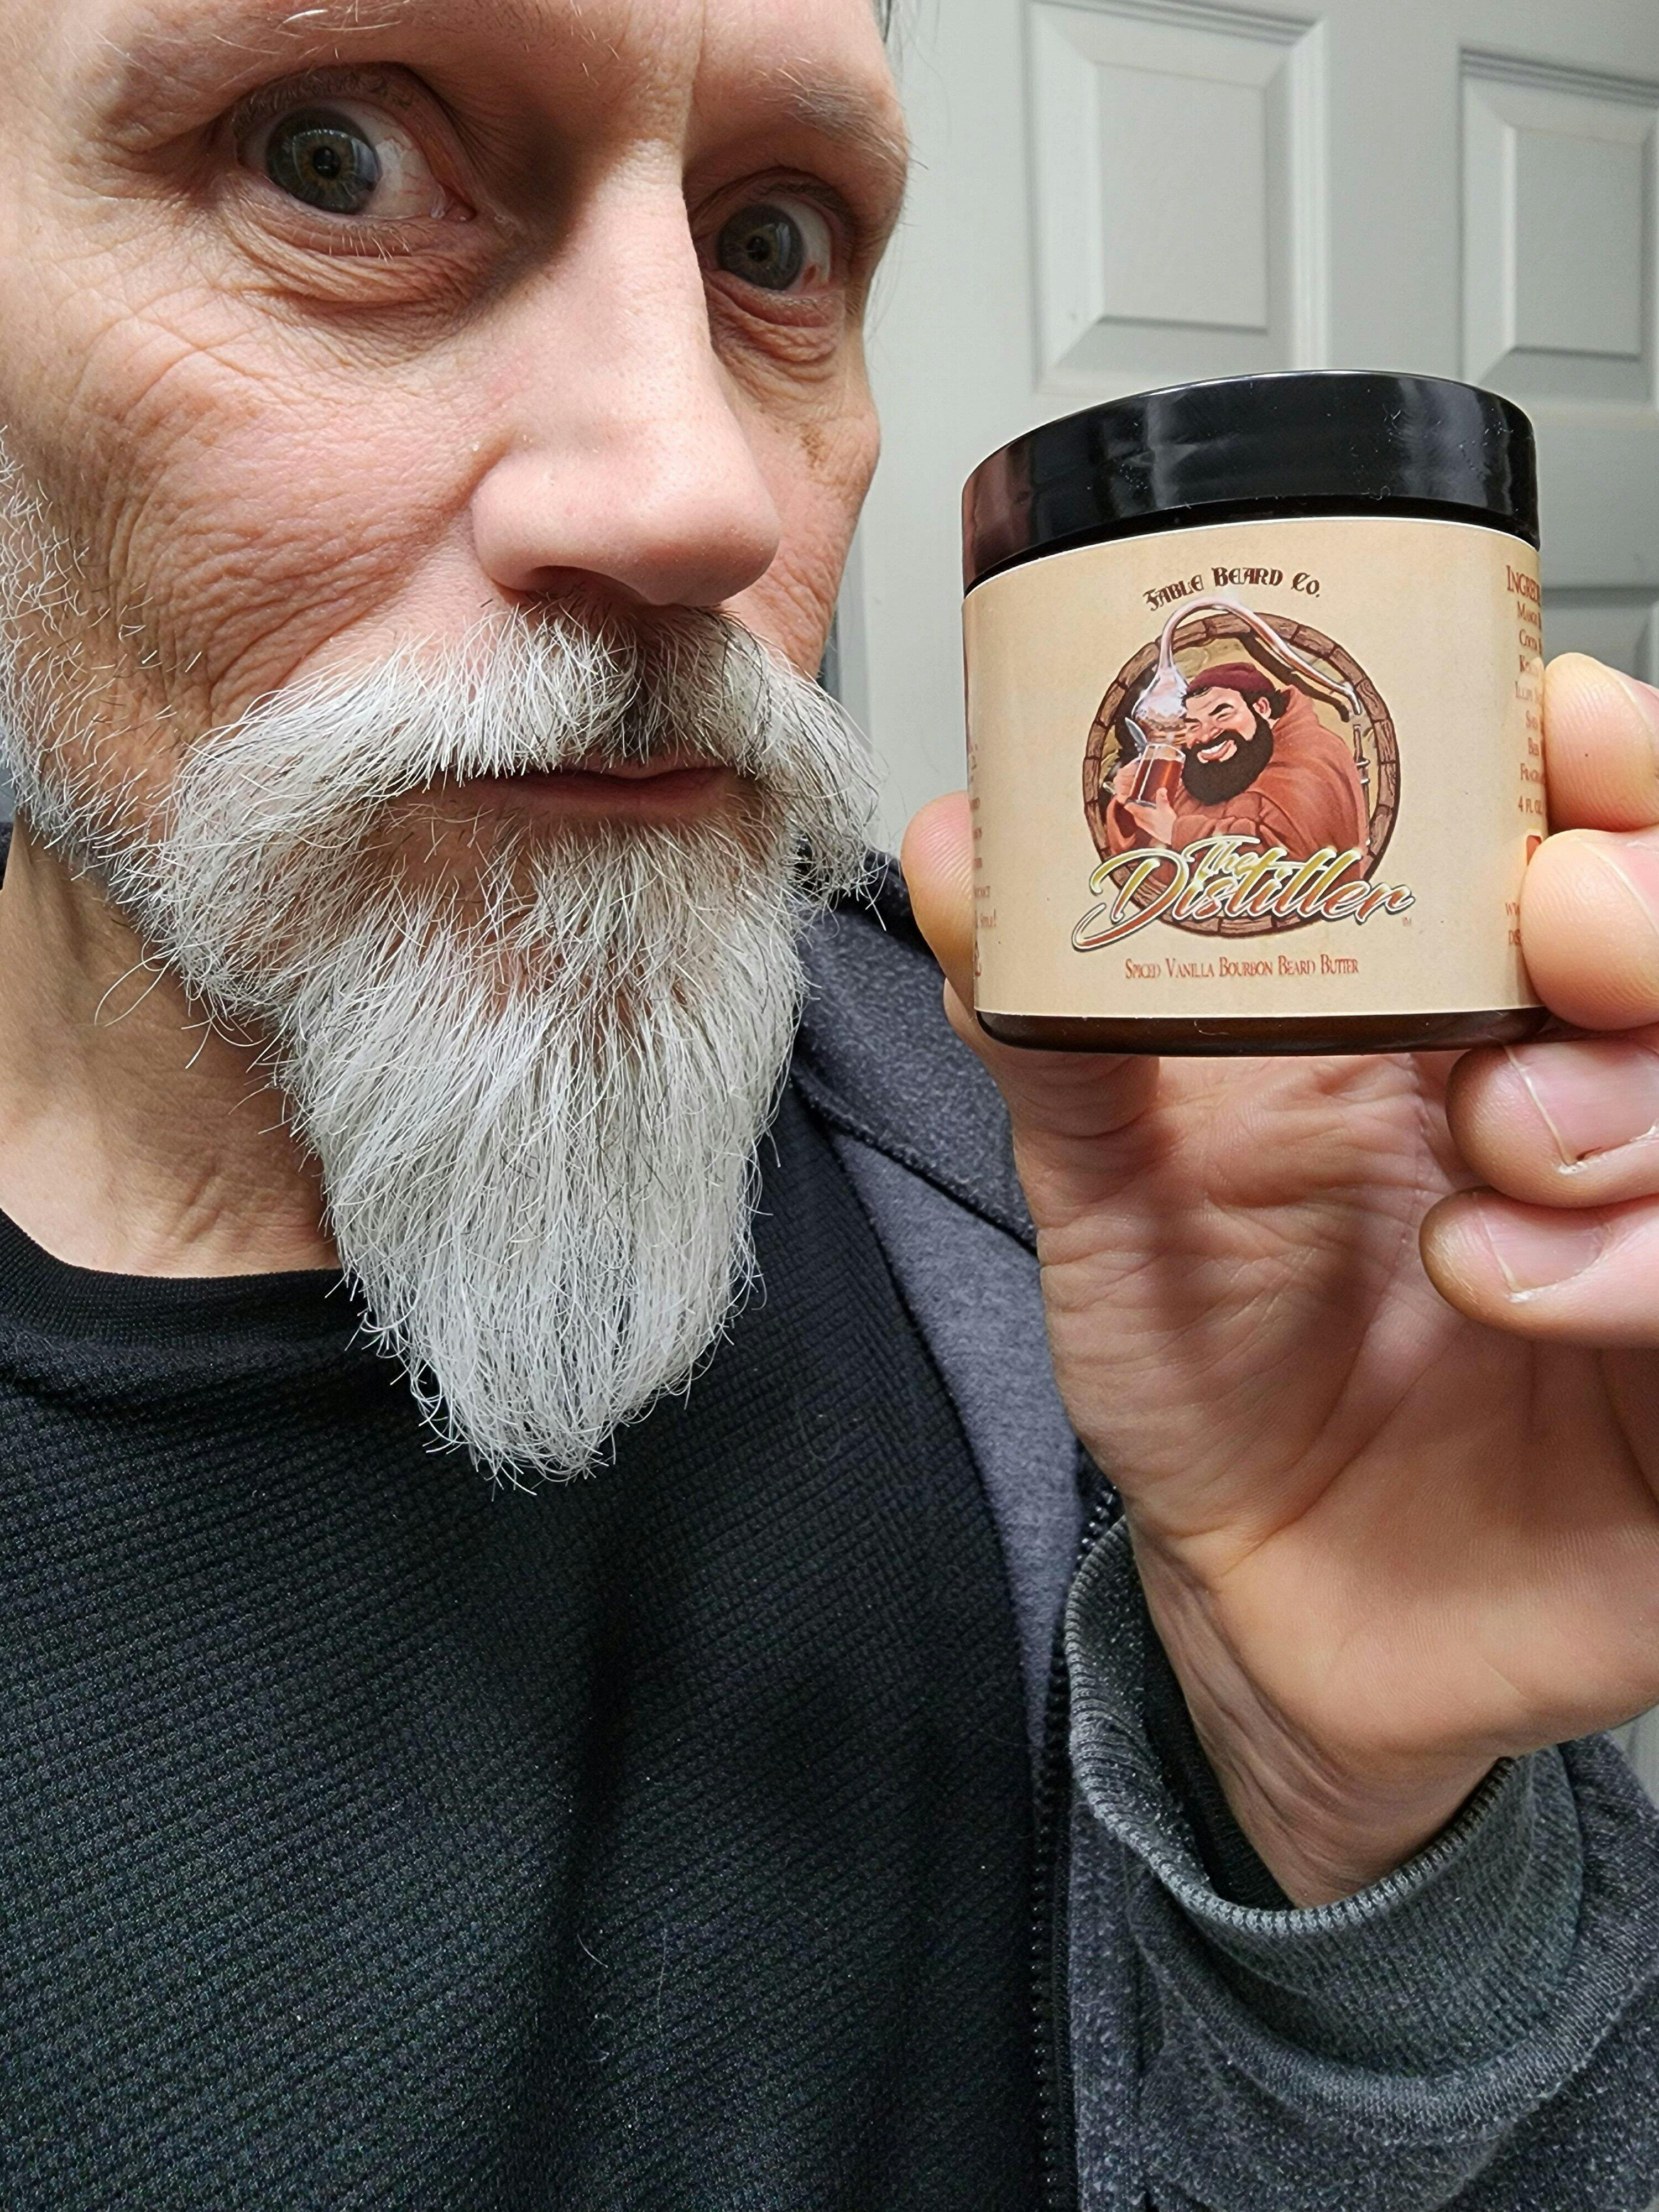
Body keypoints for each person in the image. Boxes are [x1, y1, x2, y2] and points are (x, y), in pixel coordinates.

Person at [1, 0, 1657, 2206]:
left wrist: (1346, 1837)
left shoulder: (1158, 1258)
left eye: (771, 241)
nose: (707, 493)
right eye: (332, 163)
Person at [1107, 660, 1372, 860]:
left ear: (1262, 708)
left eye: (1222, 714)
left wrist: (1179, 833)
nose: (1206, 735)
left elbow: (1294, 861)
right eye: (1194, 725)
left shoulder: (1311, 755)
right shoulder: (1204, 767)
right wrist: (1130, 805)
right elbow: (1142, 851)